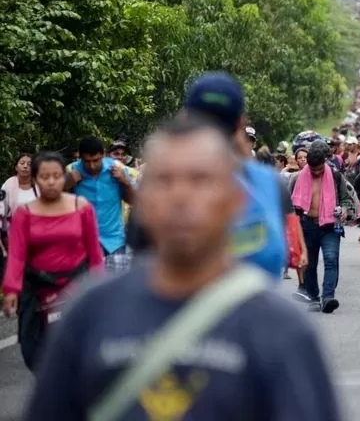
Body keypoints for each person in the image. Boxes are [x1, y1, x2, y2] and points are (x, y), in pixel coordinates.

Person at [25, 116, 341, 421]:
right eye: (164, 181)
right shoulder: (90, 313)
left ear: (235, 201)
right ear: (142, 201)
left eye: (200, 180)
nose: (180, 197)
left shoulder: (281, 327)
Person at [126, 72, 291, 281]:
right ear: (240, 123)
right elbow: (274, 257)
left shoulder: (161, 181)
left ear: (186, 116)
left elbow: (141, 261)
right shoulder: (269, 183)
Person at [2, 152, 103, 372]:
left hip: (76, 280)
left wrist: (99, 284)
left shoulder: (81, 206)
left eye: (56, 176)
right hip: (36, 284)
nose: (51, 182)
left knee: (83, 342)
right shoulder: (24, 213)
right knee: (30, 348)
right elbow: (17, 254)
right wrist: (11, 289)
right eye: (45, 176)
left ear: (62, 177)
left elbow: (94, 250)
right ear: (36, 179)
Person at [289, 147, 355, 313]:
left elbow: (346, 198)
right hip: (307, 225)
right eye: (313, 170)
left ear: (324, 163)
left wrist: (345, 210)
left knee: (331, 259)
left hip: (330, 225)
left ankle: (328, 297)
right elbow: (290, 204)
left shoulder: (335, 175)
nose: (316, 173)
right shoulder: (297, 178)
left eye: (319, 169)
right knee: (309, 263)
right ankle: (313, 297)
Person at [66, 136, 135, 272]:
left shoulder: (117, 170)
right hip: (82, 243)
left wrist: (125, 182)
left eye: (96, 160)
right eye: (87, 161)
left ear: (103, 154)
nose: (92, 166)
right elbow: (56, 204)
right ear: (80, 157)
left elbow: (133, 201)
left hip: (113, 241)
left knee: (115, 290)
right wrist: (67, 184)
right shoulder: (72, 171)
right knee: (85, 291)